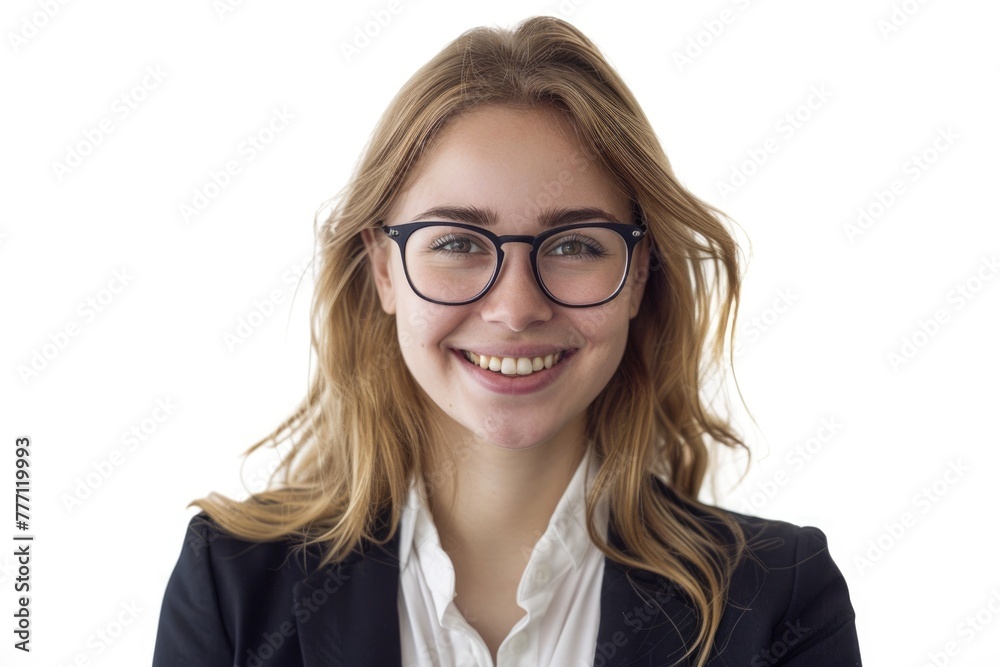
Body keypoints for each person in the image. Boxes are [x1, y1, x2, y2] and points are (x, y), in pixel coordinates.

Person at [152, 15, 861, 667]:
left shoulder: (779, 598)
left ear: (639, 273)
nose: (516, 307)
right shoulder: (232, 587)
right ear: (382, 269)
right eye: (458, 241)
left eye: (576, 244)